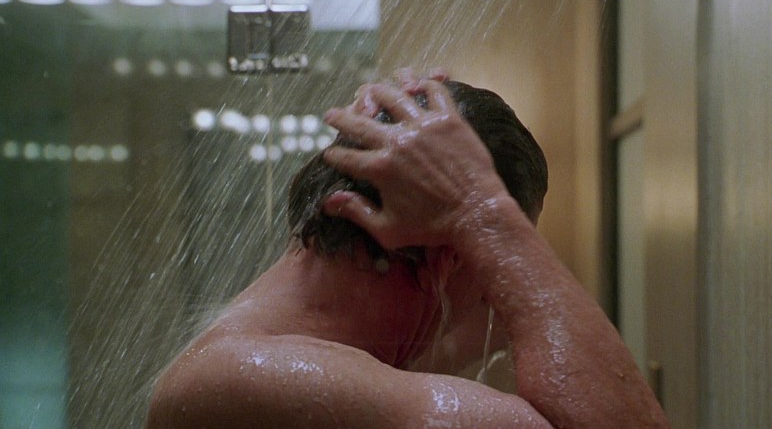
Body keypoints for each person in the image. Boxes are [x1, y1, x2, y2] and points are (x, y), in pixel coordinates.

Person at [146, 71, 668, 428]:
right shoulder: (250, 376)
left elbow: (465, 342)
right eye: (488, 279)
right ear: (450, 257)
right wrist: (483, 212)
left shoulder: (303, 354)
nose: (493, 299)